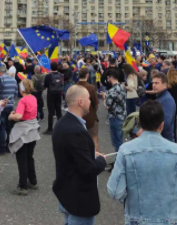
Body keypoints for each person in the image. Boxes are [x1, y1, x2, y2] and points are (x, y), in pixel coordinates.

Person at [107, 100, 177, 224]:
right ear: (161, 125)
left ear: (139, 122)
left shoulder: (126, 151)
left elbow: (115, 191)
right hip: (170, 220)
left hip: (137, 220)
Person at [52, 85, 107, 225]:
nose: (91, 102)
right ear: (80, 102)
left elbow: (71, 154)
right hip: (78, 200)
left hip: (67, 193)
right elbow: (88, 170)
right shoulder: (76, 130)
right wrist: (101, 160)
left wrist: (91, 154)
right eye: (88, 99)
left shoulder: (62, 123)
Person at [8, 79, 40, 195]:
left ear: (21, 89)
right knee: (29, 157)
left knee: (21, 159)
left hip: (23, 130)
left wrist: (11, 116)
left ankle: (23, 185)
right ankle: (33, 181)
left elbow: (19, 116)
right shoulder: (33, 98)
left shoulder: (23, 100)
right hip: (33, 128)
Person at [0, 64, 18, 155]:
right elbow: (16, 93)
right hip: (10, 105)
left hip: (2, 106)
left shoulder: (1, 79)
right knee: (9, 127)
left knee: (1, 127)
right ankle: (9, 146)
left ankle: (2, 148)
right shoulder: (13, 80)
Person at [101, 69, 126, 152]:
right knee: (119, 140)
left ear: (111, 77)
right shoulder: (122, 86)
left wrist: (104, 98)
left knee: (116, 142)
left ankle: (119, 159)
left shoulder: (112, 90)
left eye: (108, 77)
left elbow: (106, 106)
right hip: (122, 115)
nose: (107, 79)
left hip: (115, 116)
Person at [76, 67, 100, 151]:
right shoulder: (91, 87)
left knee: (79, 141)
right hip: (90, 117)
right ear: (87, 75)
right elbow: (96, 103)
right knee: (94, 139)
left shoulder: (74, 87)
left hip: (78, 118)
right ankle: (96, 160)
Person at [44, 62, 64, 134]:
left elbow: (46, 85)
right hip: (59, 94)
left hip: (51, 94)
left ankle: (50, 128)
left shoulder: (48, 76)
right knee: (59, 111)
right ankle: (61, 127)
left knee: (51, 112)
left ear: (51, 67)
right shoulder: (61, 75)